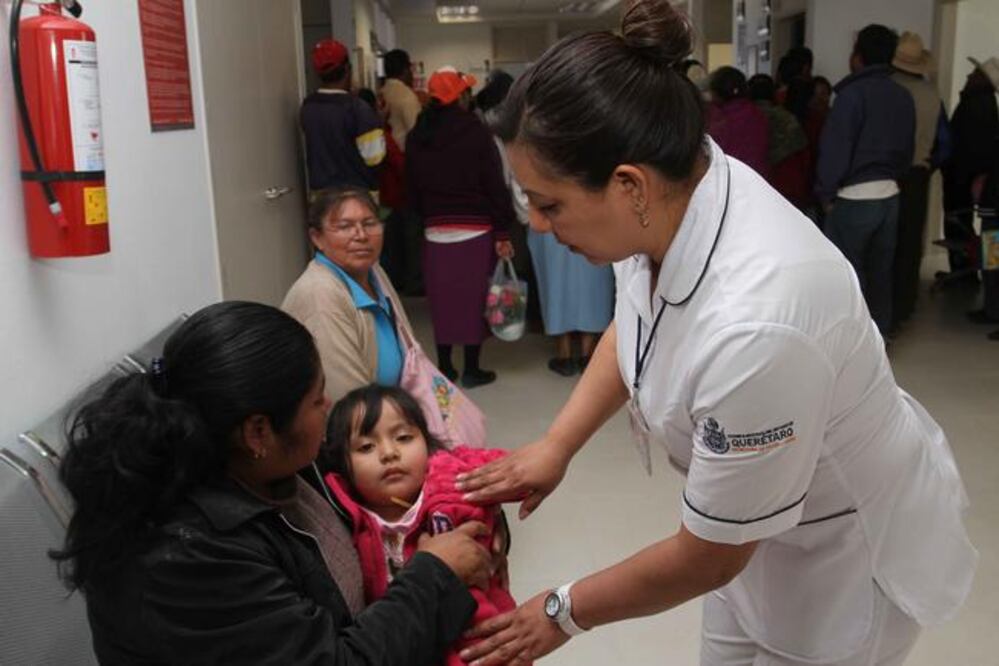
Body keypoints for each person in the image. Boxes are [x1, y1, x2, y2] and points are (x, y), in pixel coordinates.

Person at [452, 1, 977, 664]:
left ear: (628, 186)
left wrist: (562, 610)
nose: (535, 224)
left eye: (548, 203)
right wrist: (559, 445)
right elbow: (636, 320)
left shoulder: (759, 325)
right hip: (748, 527)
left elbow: (708, 557)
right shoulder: (671, 192)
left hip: (836, 555)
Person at [50, 301, 494, 664]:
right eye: (316, 399)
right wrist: (434, 573)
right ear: (258, 432)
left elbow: (403, 474)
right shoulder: (187, 558)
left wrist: (465, 506)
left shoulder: (264, 457)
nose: (329, 405)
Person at [322, 384, 518, 666]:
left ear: (427, 442)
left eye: (403, 437)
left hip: (480, 640)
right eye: (366, 447)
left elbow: (510, 471)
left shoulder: (450, 486)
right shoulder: (343, 517)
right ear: (342, 465)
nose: (389, 453)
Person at [405, 67, 516, 388]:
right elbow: (493, 183)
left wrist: (423, 219)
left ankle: (444, 366)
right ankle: (471, 368)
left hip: (435, 231)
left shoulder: (418, 135)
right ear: (461, 96)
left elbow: (411, 188)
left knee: (442, 303)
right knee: (473, 302)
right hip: (475, 231)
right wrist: (502, 229)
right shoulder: (476, 132)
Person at [816, 25, 915, 336]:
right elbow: (907, 150)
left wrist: (826, 195)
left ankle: (851, 342)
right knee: (881, 273)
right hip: (890, 195)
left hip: (854, 196)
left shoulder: (851, 95)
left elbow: (836, 149)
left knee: (848, 275)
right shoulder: (903, 95)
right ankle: (880, 335)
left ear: (858, 57)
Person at [283, 187, 414, 405]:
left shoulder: (374, 271)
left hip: (390, 410)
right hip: (358, 420)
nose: (361, 236)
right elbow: (348, 406)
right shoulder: (320, 294)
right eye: (344, 227)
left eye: (370, 224)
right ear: (317, 238)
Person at [890, 32, 951, 332]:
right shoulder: (932, 95)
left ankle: (884, 308)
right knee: (911, 241)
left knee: (886, 244)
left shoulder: (887, 89)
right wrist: (927, 165)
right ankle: (906, 304)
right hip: (917, 176)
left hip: (888, 174)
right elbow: (946, 144)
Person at [301, 39, 385, 201]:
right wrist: (378, 124)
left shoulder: (308, 106)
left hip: (321, 198)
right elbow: (375, 158)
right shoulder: (358, 109)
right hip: (357, 197)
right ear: (347, 68)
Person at [942, 56, 999, 284]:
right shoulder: (985, 104)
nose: (968, 76)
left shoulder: (975, 104)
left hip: (970, 184)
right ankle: (983, 283)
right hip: (984, 190)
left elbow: (967, 148)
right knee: (988, 240)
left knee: (982, 236)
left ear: (981, 80)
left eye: (974, 73)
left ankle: (970, 276)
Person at [379, 49, 426, 296]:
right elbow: (418, 136)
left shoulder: (382, 92)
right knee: (411, 229)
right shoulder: (407, 97)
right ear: (405, 69)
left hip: (386, 170)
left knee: (393, 230)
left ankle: (394, 278)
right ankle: (414, 280)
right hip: (405, 167)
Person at [748, 73, 810, 209]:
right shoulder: (788, 118)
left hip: (752, 188)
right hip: (786, 187)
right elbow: (803, 156)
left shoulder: (743, 119)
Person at [707, 66, 770, 178]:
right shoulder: (757, 114)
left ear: (716, 93)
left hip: (728, 179)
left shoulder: (717, 119)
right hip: (758, 178)